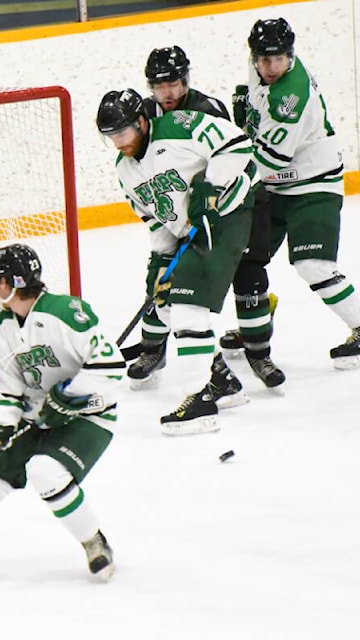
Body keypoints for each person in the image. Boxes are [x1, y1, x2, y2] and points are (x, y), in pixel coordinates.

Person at [0, 243, 124, 581]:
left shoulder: (65, 312)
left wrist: (69, 396)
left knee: (45, 472)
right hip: (36, 418)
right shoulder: (2, 328)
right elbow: (3, 385)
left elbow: (111, 367)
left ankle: (95, 543)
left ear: (9, 283)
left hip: (88, 414)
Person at [96, 88, 257, 434]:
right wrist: (161, 261)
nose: (118, 143)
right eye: (110, 137)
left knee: (188, 308)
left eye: (122, 132)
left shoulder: (178, 126)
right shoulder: (125, 170)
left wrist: (211, 188)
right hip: (189, 232)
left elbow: (237, 144)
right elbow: (156, 220)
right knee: (167, 303)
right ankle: (221, 381)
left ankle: (199, 401)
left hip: (227, 216)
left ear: (141, 121)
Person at [129, 46, 286, 391]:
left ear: (186, 80)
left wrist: (209, 197)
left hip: (240, 200)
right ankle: (154, 349)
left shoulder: (207, 109)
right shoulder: (145, 115)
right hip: (188, 212)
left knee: (249, 273)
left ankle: (258, 352)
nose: (167, 92)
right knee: (167, 278)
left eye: (173, 83)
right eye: (159, 86)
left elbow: (231, 157)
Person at [231, 18, 360, 370]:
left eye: (278, 59)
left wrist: (230, 180)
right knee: (244, 260)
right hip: (276, 187)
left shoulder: (292, 95)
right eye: (263, 59)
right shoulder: (258, 68)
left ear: (291, 55)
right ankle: (255, 324)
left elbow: (269, 161)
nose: (270, 67)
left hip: (313, 184)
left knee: (313, 265)